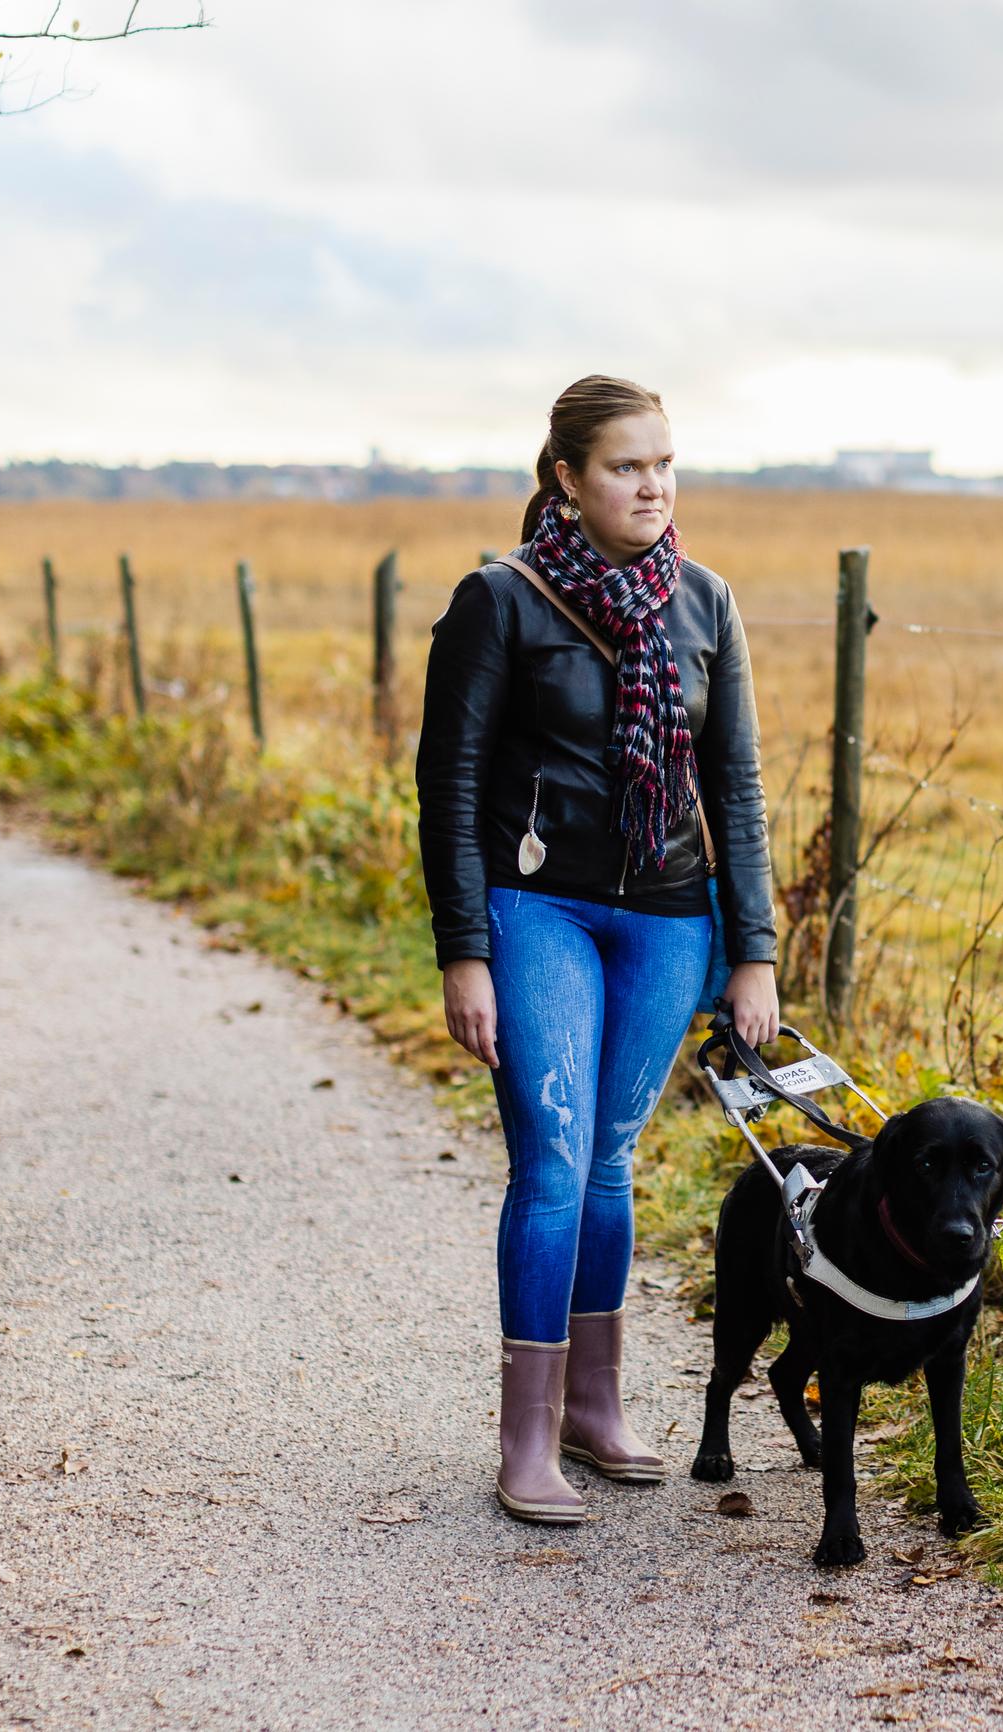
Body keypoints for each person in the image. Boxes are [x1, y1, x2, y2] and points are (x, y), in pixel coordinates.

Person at [415, 374, 780, 1524]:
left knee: (611, 1159)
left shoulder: (705, 601)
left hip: (671, 918)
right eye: (627, 465)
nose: (652, 485)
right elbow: (451, 788)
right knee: (556, 1159)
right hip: (542, 911)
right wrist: (464, 950)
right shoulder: (500, 602)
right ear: (566, 479)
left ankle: (592, 1404)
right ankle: (524, 1437)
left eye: (664, 463)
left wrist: (753, 951)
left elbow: (734, 784)